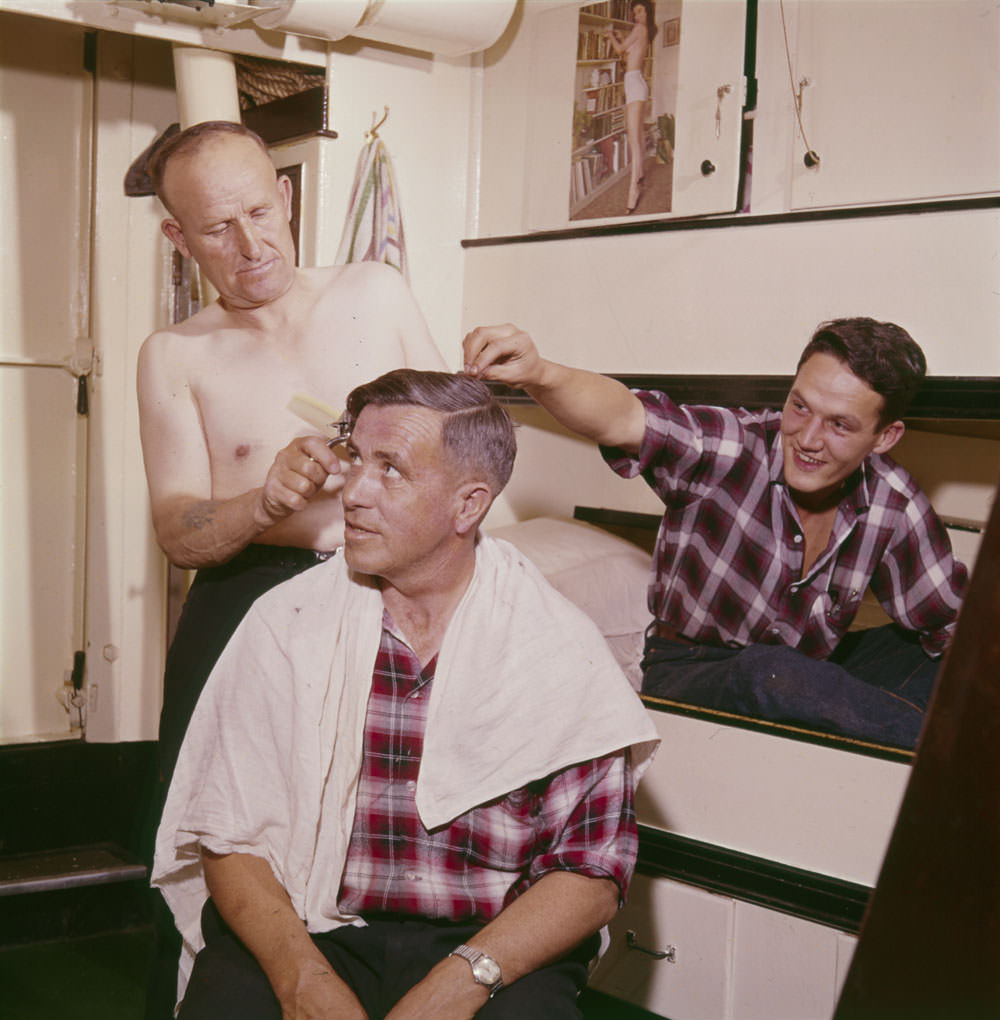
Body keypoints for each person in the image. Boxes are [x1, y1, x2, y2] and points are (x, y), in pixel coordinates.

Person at [152, 369, 658, 1020]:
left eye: (391, 469)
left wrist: (464, 980)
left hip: (483, 943)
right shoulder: (286, 624)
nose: (353, 492)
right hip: (308, 929)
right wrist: (299, 976)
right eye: (356, 459)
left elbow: (591, 873)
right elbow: (228, 838)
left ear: (468, 505)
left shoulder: (556, 648)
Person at [137, 120, 446, 1017]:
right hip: (245, 596)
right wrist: (265, 499)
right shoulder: (177, 356)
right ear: (179, 239)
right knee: (200, 824)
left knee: (372, 823)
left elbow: (460, 445)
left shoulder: (374, 293)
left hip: (381, 589)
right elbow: (179, 531)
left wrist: (390, 470)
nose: (250, 244)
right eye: (217, 229)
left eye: (261, 212)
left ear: (285, 198)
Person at [462, 319, 968, 749]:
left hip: (810, 668)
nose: (808, 439)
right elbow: (623, 417)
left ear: (884, 437)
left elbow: (948, 619)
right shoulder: (732, 448)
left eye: (839, 425)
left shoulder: (892, 500)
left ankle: (940, 739)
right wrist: (541, 372)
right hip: (692, 669)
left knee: (951, 663)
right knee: (773, 674)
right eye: (799, 407)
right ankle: (957, 759)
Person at [604, 1, 656, 213]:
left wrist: (610, 36)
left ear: (647, 11)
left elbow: (620, 50)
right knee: (638, 136)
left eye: (640, 11)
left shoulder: (638, 28)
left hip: (634, 84)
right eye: (634, 12)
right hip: (637, 83)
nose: (636, 15)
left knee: (633, 140)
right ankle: (641, 173)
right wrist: (617, 35)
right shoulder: (644, 30)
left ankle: (633, 191)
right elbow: (629, 52)